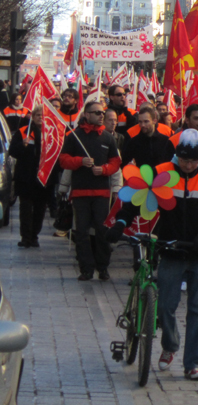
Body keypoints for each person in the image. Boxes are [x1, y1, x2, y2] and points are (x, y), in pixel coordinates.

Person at [107, 129, 198, 381]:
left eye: (193, 161)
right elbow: (137, 200)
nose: (188, 165)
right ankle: (170, 345)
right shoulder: (163, 170)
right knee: (164, 307)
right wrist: (120, 222)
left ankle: (193, 364)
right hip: (171, 249)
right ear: (177, 156)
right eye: (184, 160)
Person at [57, 102, 121, 281]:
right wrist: (79, 161)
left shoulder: (108, 138)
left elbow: (116, 162)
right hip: (80, 193)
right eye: (97, 113)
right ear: (86, 114)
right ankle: (86, 268)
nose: (101, 115)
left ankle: (103, 267)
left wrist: (105, 170)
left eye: (102, 112)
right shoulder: (74, 136)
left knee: (102, 231)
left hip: (101, 193)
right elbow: (63, 160)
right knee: (82, 232)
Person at [9, 105, 55, 247]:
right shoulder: (23, 132)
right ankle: (26, 237)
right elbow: (12, 151)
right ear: (33, 117)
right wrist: (22, 146)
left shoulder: (52, 133)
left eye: (43, 115)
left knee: (40, 209)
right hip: (25, 178)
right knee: (26, 209)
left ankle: (34, 235)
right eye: (38, 115)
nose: (40, 117)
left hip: (43, 179)